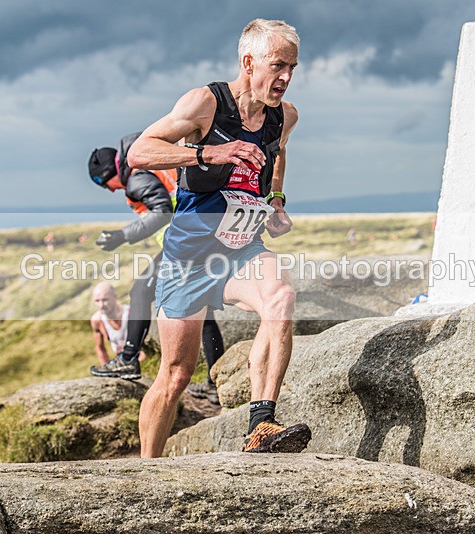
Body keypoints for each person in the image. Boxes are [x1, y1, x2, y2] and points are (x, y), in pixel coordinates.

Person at [127, 19, 310, 457]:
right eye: (278, 65)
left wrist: (277, 200)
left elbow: (277, 152)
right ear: (248, 62)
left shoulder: (284, 116)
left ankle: (260, 424)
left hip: (240, 247)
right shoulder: (205, 104)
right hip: (188, 257)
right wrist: (209, 152)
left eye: (293, 68)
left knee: (280, 297)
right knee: (176, 374)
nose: (286, 77)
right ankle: (144, 471)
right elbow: (138, 153)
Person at [87, 137, 225, 392]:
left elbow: (162, 212)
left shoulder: (137, 178)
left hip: (186, 242)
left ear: (110, 172)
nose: (112, 190)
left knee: (140, 290)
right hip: (204, 233)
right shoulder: (152, 164)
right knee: (205, 313)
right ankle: (216, 385)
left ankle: (128, 359)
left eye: (106, 184)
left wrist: (122, 236)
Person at [90, 282, 133, 366]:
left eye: (105, 300)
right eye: (97, 301)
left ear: (115, 297)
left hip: (140, 360)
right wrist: (106, 368)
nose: (101, 305)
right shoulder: (97, 320)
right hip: (121, 362)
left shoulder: (131, 314)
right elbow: (100, 348)